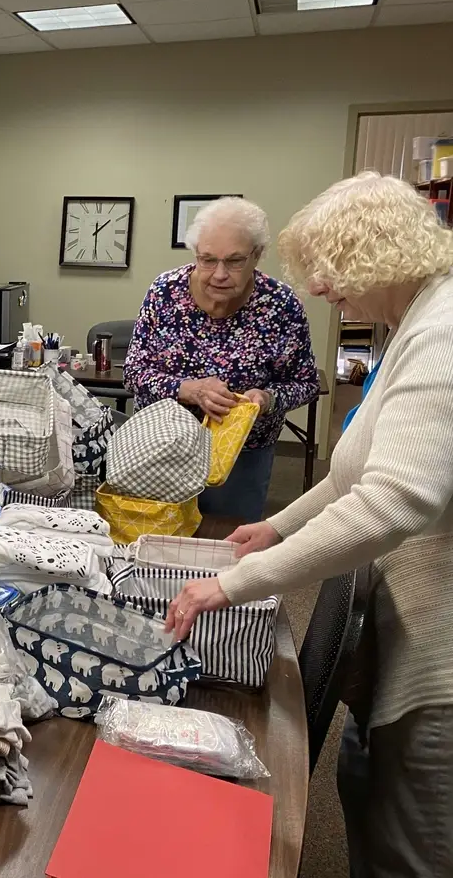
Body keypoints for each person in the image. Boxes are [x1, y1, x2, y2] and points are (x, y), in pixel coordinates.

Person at [167, 172, 453, 878]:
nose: (322, 291)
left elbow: (392, 502)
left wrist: (237, 584)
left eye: (329, 270)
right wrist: (279, 528)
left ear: (374, 256)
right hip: (407, 626)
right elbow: (356, 468)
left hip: (441, 656)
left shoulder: (442, 334)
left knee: (415, 845)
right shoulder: (412, 323)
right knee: (368, 797)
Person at [124, 197, 319, 522]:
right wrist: (188, 389)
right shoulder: (165, 292)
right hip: (162, 449)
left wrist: (268, 398)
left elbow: (306, 383)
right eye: (207, 260)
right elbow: (133, 373)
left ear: (257, 255)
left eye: (235, 261)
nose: (219, 274)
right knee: (153, 543)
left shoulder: (281, 305)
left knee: (227, 548)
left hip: (242, 456)